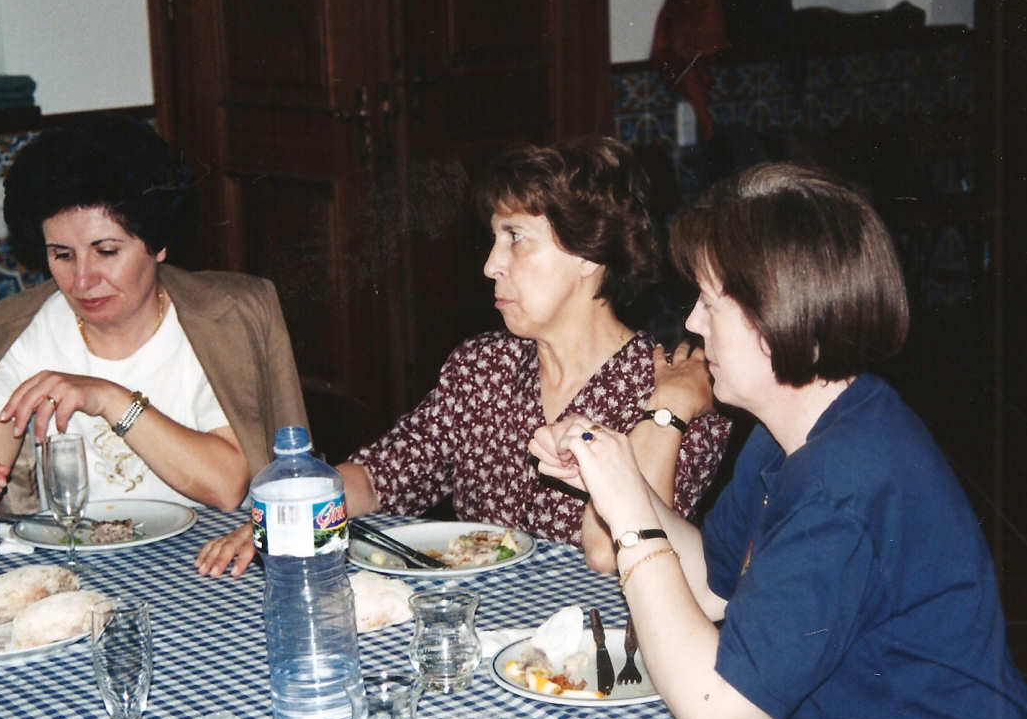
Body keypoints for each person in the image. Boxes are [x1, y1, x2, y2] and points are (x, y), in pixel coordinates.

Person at [530, 163, 1027, 719]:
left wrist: (631, 517)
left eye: (711, 304)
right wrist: (614, 481)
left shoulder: (845, 483)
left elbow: (714, 715)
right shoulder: (796, 429)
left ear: (779, 317)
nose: (692, 323)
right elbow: (711, 582)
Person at [196, 136, 732, 577]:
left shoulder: (675, 393)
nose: (491, 264)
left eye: (516, 238)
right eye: (495, 238)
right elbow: (385, 473)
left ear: (588, 254)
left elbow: (622, 555)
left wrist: (668, 407)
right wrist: (297, 509)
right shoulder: (482, 368)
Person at [0, 116, 307, 519]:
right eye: (62, 255)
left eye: (106, 251)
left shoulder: (218, 322)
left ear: (158, 245)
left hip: (212, 549)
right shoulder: (21, 333)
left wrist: (109, 398)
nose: (83, 280)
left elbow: (226, 486)